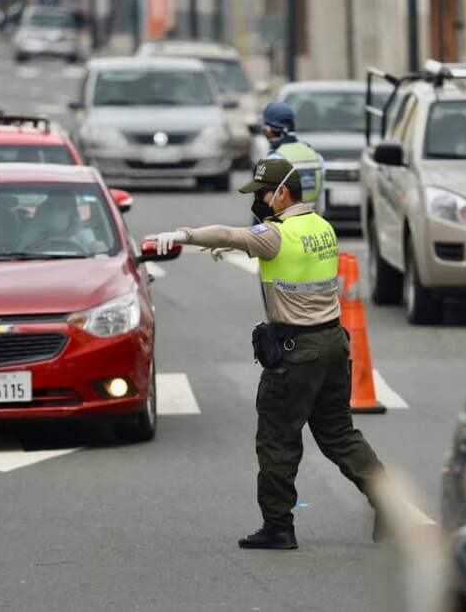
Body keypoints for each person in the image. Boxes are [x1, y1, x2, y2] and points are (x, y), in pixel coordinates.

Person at [146, 158, 385, 550]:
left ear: (282, 193)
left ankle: (278, 527)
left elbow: (230, 234)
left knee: (277, 438)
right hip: (332, 344)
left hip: (297, 353)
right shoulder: (321, 227)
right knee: (340, 434)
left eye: (262, 193)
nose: (259, 201)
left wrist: (181, 235)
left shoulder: (277, 234)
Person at [258, 101, 325, 219]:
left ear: (268, 130)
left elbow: (263, 210)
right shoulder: (316, 156)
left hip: (285, 229)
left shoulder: (272, 160)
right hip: (312, 224)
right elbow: (321, 205)